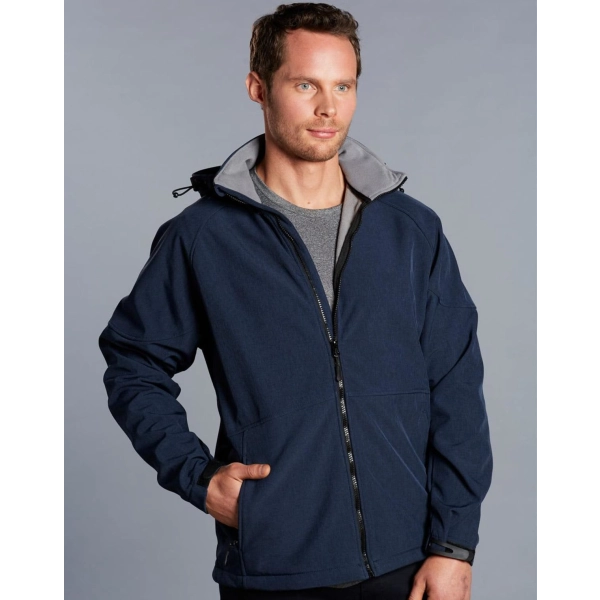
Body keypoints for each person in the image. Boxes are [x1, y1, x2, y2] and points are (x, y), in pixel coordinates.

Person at [99, 3, 493, 599]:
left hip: (410, 562)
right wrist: (198, 477)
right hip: (276, 566)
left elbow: (457, 386)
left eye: (343, 86)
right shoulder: (202, 237)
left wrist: (454, 545)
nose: (328, 107)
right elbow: (134, 362)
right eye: (305, 85)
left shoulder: (411, 230)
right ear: (259, 88)